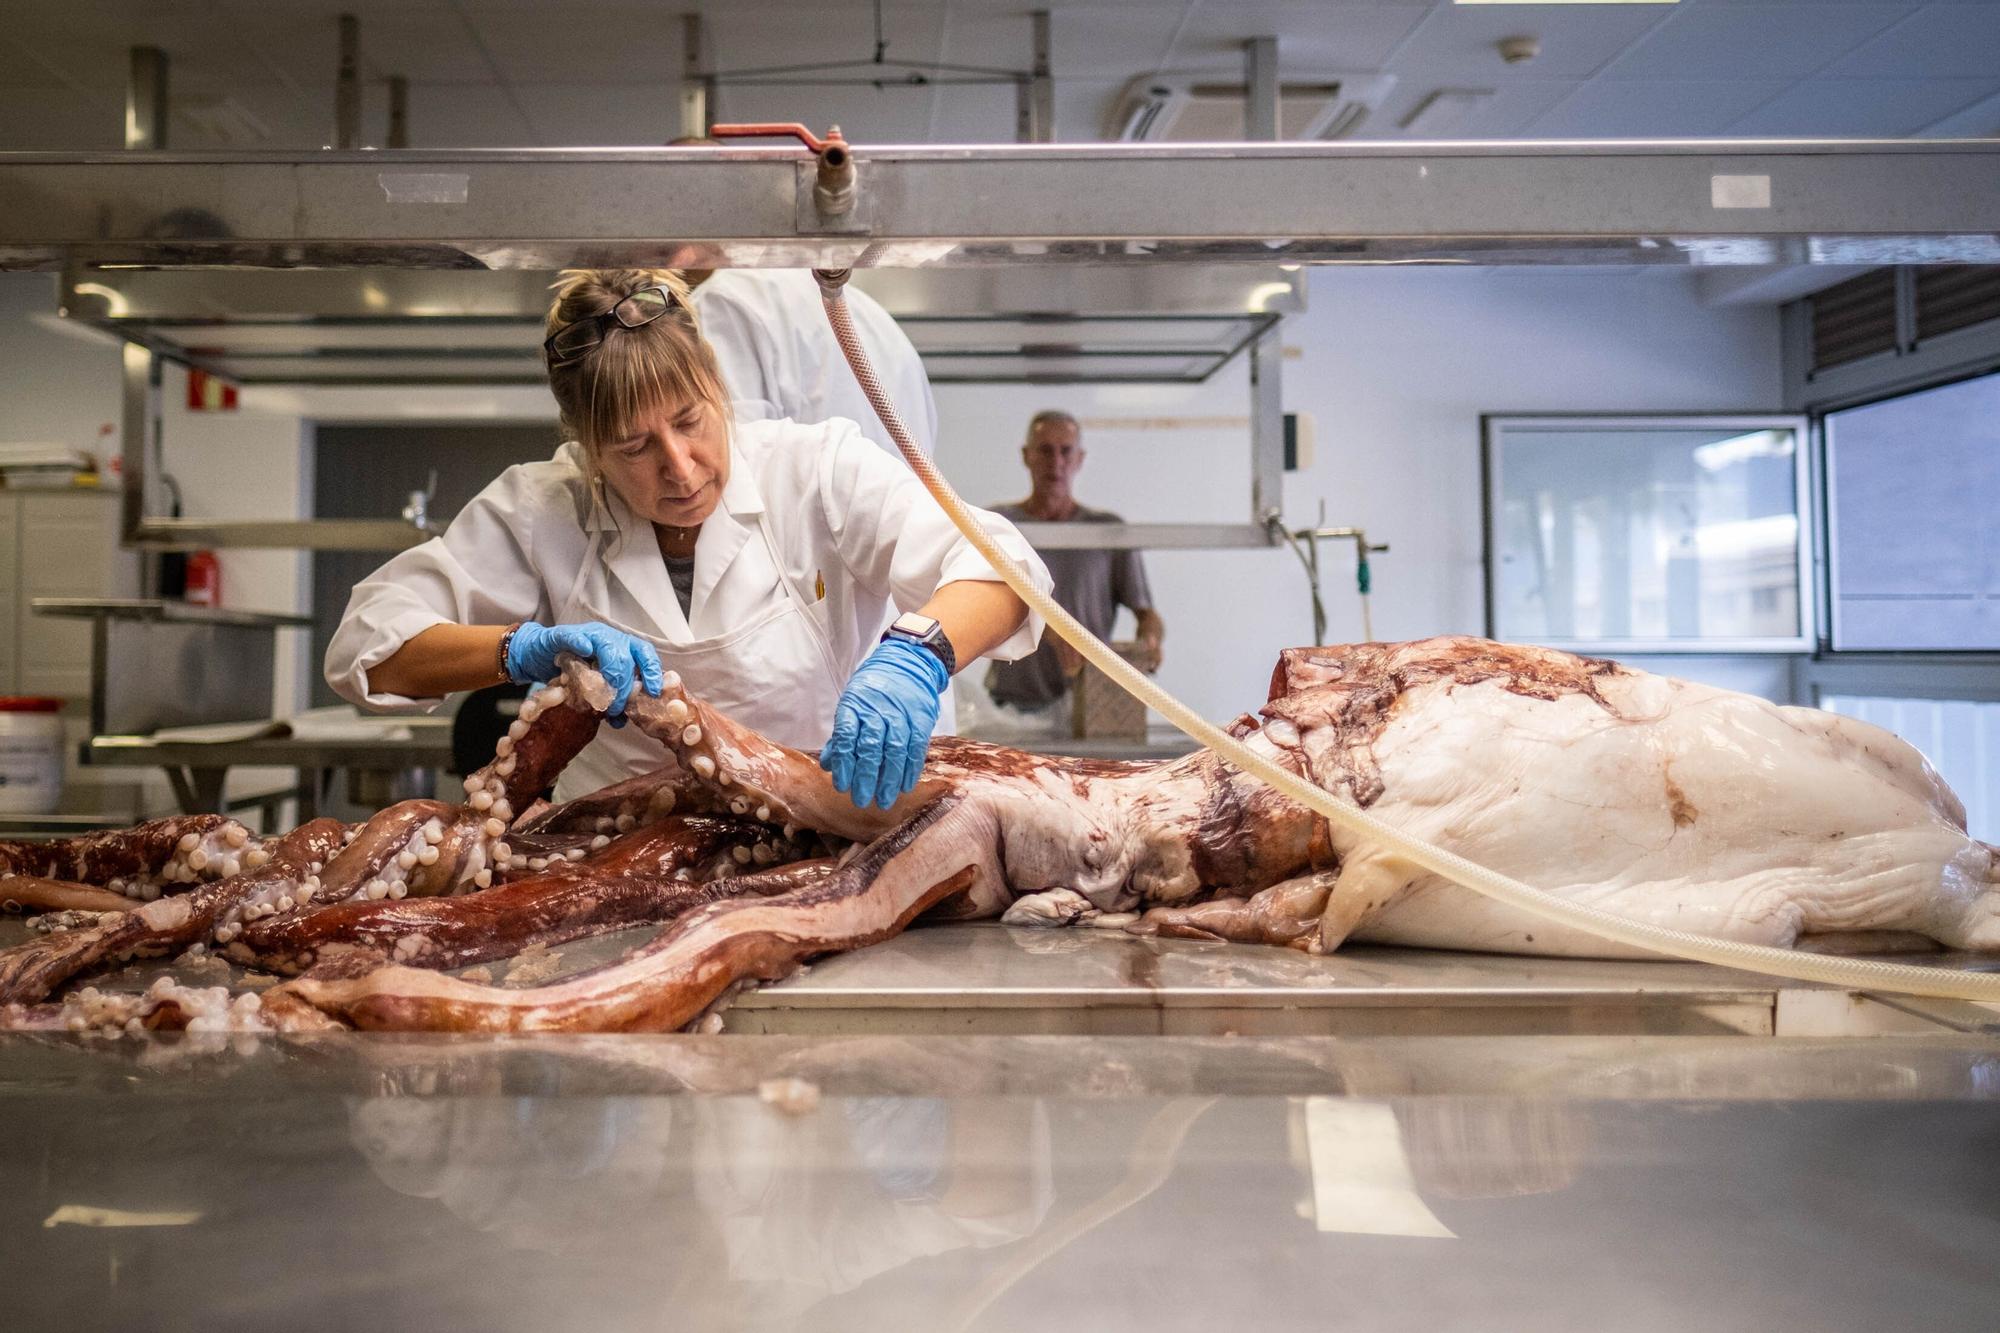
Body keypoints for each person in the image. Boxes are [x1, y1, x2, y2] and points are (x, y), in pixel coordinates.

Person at [326, 269, 1050, 810]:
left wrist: (916, 656)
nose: (679, 467)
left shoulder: (815, 468)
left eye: (691, 419)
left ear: (717, 385)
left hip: (820, 837)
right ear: (586, 448)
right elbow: (369, 645)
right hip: (611, 859)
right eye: (634, 446)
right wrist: (516, 649)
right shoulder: (545, 505)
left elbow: (1001, 567)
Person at [984, 410, 1164, 713]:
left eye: (1065, 451)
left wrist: (1149, 640)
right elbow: (982, 605)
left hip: (1092, 705)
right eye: (1045, 450)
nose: (1056, 462)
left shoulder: (1107, 530)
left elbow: (1146, 613)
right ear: (1027, 456)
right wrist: (1047, 626)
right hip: (1011, 707)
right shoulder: (998, 526)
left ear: (1079, 458)